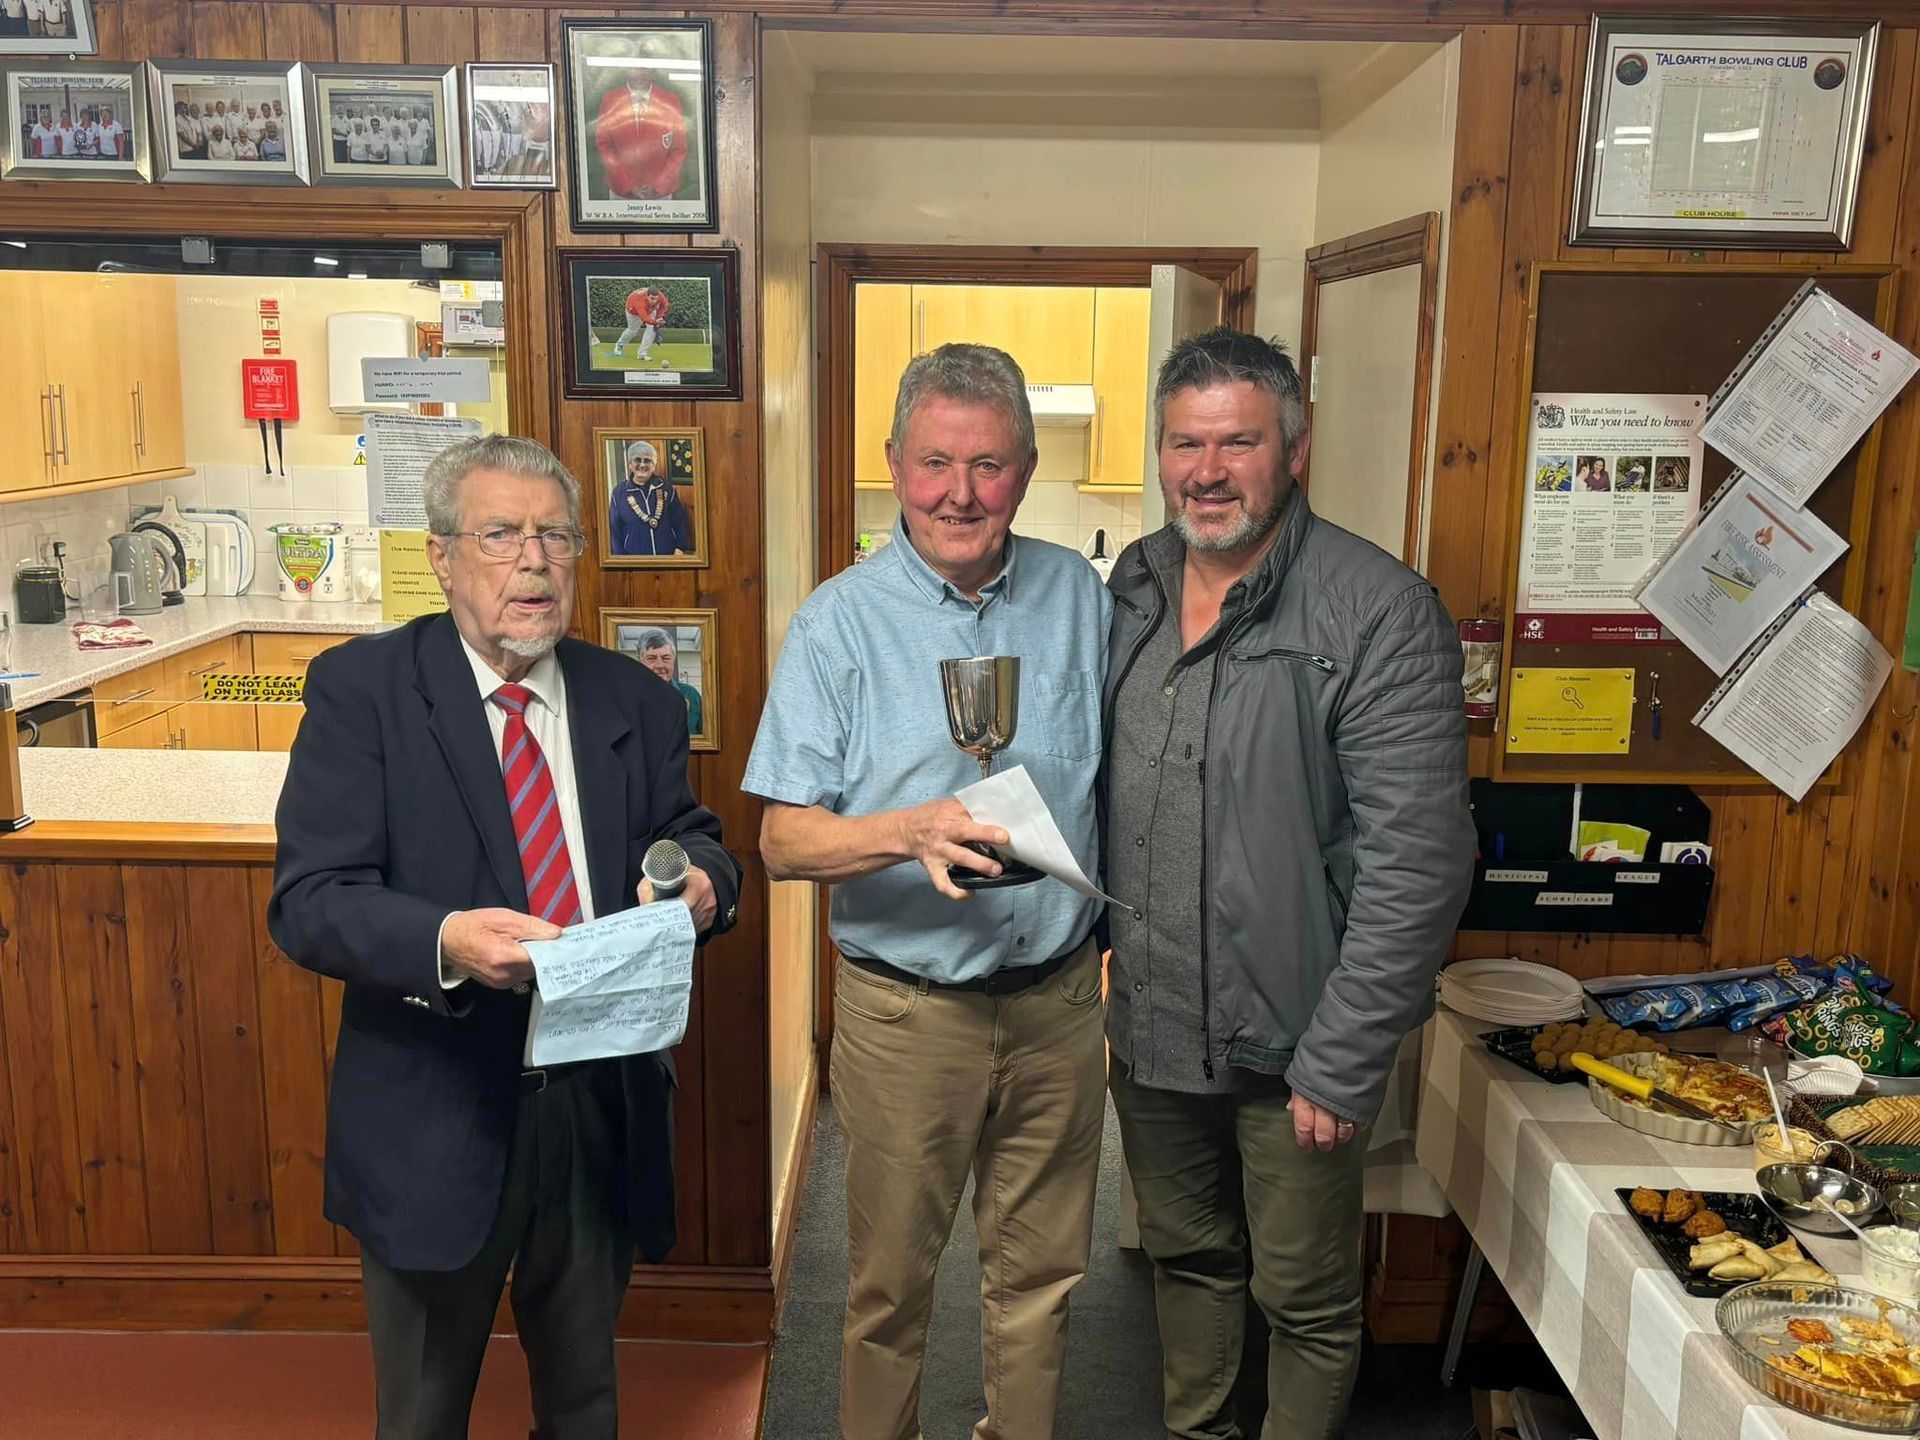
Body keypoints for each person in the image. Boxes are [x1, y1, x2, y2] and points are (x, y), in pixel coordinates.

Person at [269, 434, 741, 1439]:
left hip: (597, 1106)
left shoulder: (635, 699)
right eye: (501, 535)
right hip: (437, 1112)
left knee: (583, 1405)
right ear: (442, 557)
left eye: (555, 536)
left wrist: (705, 882)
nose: (534, 561)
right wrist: (447, 939)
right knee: (424, 1414)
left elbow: (690, 834)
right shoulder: (364, 692)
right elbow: (311, 900)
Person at [1102, 327, 1473, 1440]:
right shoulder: (1135, 584)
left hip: (1298, 1043)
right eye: (1185, 443)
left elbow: (1419, 864)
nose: (1207, 470)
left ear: (1295, 451)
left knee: (1303, 1302)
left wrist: (1345, 1057)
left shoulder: (1378, 608)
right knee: (1187, 1261)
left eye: (1239, 443)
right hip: (1154, 1028)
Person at [745, 344, 1111, 1440]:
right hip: (907, 1015)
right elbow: (781, 843)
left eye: (988, 465)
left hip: (1058, 1004)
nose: (960, 493)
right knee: (888, 1295)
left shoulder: (1082, 599)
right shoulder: (837, 624)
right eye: (935, 463)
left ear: (1027, 471)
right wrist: (907, 831)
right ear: (894, 463)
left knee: (1042, 1285)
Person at [592, 66, 687, 201]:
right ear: (626, 69)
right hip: (621, 191)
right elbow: (604, 145)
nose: (640, 73)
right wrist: (626, 185)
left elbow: (679, 148)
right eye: (634, 68)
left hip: (661, 193)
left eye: (644, 68)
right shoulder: (610, 100)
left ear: (652, 71)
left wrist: (659, 185)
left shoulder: (670, 100)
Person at [606, 439, 692, 557]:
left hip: (667, 557)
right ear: (630, 464)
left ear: (654, 465)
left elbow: (679, 520)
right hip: (635, 560)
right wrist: (620, 559)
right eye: (637, 460)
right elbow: (614, 530)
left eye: (647, 460)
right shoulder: (618, 493)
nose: (642, 465)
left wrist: (679, 548)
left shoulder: (666, 488)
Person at [632, 626, 702, 737]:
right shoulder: (627, 698)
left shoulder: (691, 695)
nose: (660, 665)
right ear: (640, 660)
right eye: (651, 658)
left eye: (666, 658)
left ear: (674, 659)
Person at [610, 285, 669, 361]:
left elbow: (663, 306)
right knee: (632, 331)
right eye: (652, 298)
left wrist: (659, 317)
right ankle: (619, 345)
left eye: (656, 299)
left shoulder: (660, 296)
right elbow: (645, 318)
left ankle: (642, 354)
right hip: (633, 311)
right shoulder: (638, 300)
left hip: (650, 309)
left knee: (652, 329)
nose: (654, 301)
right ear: (647, 295)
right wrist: (655, 322)